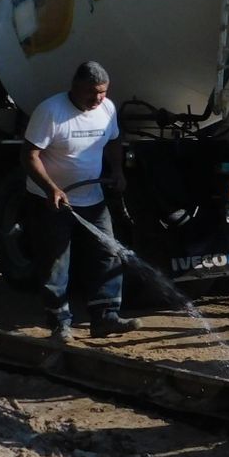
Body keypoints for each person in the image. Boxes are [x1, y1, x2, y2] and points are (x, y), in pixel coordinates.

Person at [21, 61, 138, 343]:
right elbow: (29, 155)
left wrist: (118, 171)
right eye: (92, 93)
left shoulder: (107, 109)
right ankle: (59, 321)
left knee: (107, 252)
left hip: (92, 197)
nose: (98, 99)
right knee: (57, 261)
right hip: (52, 201)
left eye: (103, 92)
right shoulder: (51, 111)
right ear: (75, 87)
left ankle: (105, 316)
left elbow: (114, 140)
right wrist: (51, 188)